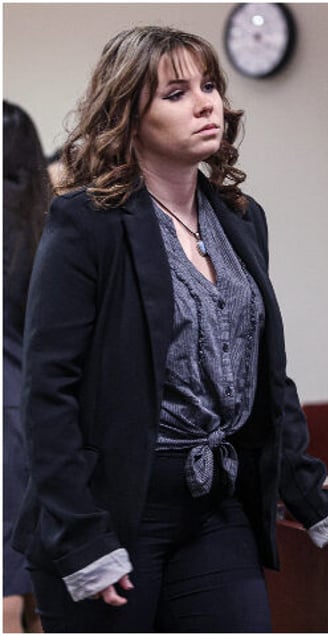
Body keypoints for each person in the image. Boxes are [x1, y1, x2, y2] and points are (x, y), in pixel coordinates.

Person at [11, 26, 328, 632]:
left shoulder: (240, 218)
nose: (206, 103)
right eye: (177, 93)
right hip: (114, 511)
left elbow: (265, 375)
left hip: (218, 504)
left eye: (210, 86)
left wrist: (312, 499)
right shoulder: (85, 222)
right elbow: (47, 393)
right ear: (128, 115)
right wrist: (85, 537)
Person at [4, 101, 49, 633]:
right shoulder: (47, 224)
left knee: (8, 597)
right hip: (30, 416)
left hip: (10, 416)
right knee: (29, 589)